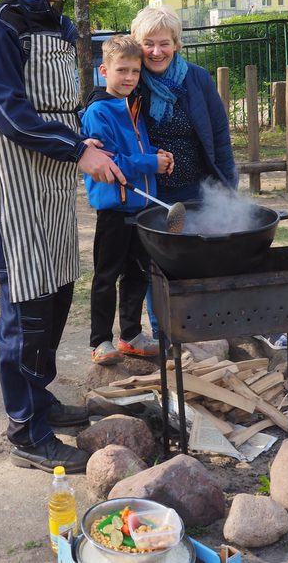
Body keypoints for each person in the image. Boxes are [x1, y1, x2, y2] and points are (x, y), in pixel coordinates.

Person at [0, 0, 125, 474]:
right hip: (17, 187)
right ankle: (24, 431)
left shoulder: (61, 28)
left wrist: (83, 136)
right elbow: (13, 116)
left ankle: (41, 400)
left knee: (57, 293)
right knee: (26, 309)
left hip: (54, 186)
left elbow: (58, 106)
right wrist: (76, 149)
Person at [130, 7, 285, 349]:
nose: (156, 51)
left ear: (176, 44)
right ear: (137, 45)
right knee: (159, 265)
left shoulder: (196, 79)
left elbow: (218, 135)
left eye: (164, 43)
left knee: (216, 258)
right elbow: (105, 108)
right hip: (153, 194)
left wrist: (228, 190)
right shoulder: (132, 79)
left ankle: (217, 328)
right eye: (148, 43)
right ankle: (165, 334)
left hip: (198, 188)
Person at [81, 35, 174, 366]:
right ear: (104, 71)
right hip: (114, 210)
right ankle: (100, 341)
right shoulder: (98, 112)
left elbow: (137, 150)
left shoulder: (133, 105)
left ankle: (131, 336)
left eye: (135, 71)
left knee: (138, 273)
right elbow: (111, 162)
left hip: (143, 207)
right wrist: (151, 163)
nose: (130, 77)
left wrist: (157, 155)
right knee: (106, 276)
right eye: (122, 70)